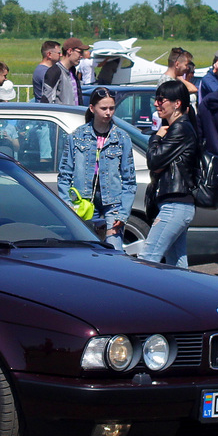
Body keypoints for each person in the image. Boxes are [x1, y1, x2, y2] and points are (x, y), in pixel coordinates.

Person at [57, 87, 138, 251]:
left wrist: (123, 212)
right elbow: (64, 175)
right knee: (86, 250)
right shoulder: (77, 136)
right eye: (104, 108)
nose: (108, 113)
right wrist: (67, 204)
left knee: (114, 250)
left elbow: (129, 180)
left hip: (113, 202)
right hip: (84, 200)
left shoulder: (121, 137)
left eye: (112, 108)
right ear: (92, 108)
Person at [140, 80, 199, 267]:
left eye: (161, 99)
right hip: (177, 204)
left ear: (177, 103)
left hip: (175, 204)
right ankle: (185, 296)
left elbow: (154, 161)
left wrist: (156, 137)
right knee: (177, 265)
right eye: (155, 99)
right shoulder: (179, 128)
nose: (156, 103)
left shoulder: (180, 128)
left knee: (147, 259)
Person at [41, 38, 85, 105]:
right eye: (80, 52)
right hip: (62, 114)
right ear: (70, 51)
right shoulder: (55, 71)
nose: (81, 56)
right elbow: (47, 100)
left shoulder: (73, 70)